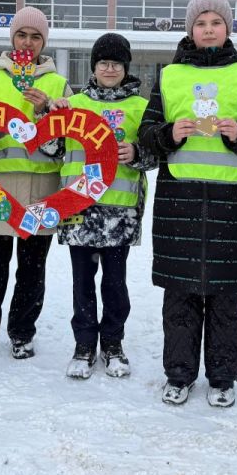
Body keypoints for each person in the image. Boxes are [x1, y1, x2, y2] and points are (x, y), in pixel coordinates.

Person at [138, 0, 237, 409]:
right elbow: (145, 134)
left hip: (233, 206)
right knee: (179, 298)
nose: (209, 29)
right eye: (202, 22)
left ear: (229, 27)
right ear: (190, 29)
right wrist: (168, 133)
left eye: (217, 21)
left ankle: (223, 375)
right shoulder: (170, 76)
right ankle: (179, 374)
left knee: (226, 299)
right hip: (179, 203)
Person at [0, 6, 71, 361]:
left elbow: (66, 141)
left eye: (36, 36)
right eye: (22, 35)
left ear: (45, 42)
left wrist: (46, 112)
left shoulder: (58, 84)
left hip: (43, 189)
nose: (28, 42)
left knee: (32, 268)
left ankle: (22, 331)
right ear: (12, 38)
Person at [52, 33, 158, 380]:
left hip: (120, 211)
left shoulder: (141, 108)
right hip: (78, 209)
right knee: (82, 283)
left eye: (115, 63)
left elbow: (156, 155)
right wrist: (50, 119)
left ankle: (113, 343)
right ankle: (84, 346)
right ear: (93, 67)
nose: (109, 68)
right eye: (102, 62)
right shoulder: (74, 104)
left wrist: (138, 154)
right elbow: (52, 150)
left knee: (115, 284)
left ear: (126, 68)